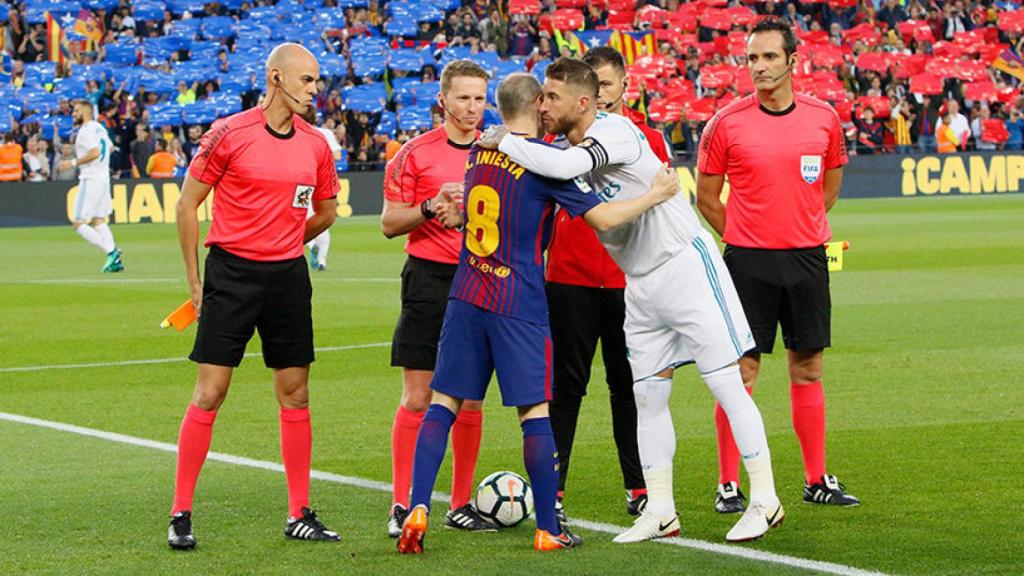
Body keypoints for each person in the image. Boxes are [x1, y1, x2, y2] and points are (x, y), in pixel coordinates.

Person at [480, 57, 783, 543]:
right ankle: (660, 509)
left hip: (685, 264)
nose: (543, 104)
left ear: (584, 102)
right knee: (647, 395)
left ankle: (765, 498)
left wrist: (508, 139)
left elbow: (564, 166)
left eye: (552, 97)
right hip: (639, 282)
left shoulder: (614, 132)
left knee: (726, 382)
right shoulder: (558, 144)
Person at [396, 72, 680, 554]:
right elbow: (604, 218)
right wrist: (655, 194)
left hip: (466, 292)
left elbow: (492, 208)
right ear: (535, 106)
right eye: (545, 99)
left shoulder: (479, 150)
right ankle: (548, 526)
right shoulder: (548, 166)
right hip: (517, 300)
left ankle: (417, 505)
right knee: (535, 412)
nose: (551, 106)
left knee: (443, 403)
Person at [167, 43, 341, 551]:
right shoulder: (229, 133)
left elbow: (327, 210)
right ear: (275, 77)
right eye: (307, 80)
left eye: (317, 81)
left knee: (296, 392)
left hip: (287, 277)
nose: (315, 89)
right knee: (211, 391)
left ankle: (298, 512)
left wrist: (288, 240)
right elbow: (187, 204)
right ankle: (181, 511)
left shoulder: (315, 145)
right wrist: (195, 282)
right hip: (232, 275)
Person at [695, 18, 860, 514]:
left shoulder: (824, 118)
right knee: (740, 372)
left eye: (769, 57)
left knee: (807, 368)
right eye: (752, 58)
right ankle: (729, 483)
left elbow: (827, 190)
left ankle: (816, 479)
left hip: (808, 259)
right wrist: (747, 237)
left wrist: (797, 228)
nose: (760, 67)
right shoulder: (726, 122)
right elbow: (706, 197)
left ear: (793, 59)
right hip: (747, 263)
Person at [545, 46, 671, 525]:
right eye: (591, 86)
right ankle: (552, 489)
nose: (598, 95)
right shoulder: (557, 143)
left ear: (623, 87)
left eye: (607, 85)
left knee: (630, 387)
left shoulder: (648, 139)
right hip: (569, 278)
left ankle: (639, 488)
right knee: (565, 388)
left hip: (629, 281)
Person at [380, 59, 495, 538]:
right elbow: (389, 223)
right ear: (442, 100)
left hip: (481, 276)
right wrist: (432, 208)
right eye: (463, 97)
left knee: (469, 399)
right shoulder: (413, 154)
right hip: (428, 279)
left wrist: (469, 217)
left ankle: (461, 503)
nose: (472, 108)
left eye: (479, 98)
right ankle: (402, 504)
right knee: (419, 396)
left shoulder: (500, 153)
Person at [57, 100, 122, 273]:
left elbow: (95, 152)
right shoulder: (99, 128)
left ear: (85, 112)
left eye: (76, 111)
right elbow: (109, 147)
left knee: (78, 223)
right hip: (103, 178)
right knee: (98, 220)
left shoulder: (85, 131)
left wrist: (72, 162)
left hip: (90, 178)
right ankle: (115, 260)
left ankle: (111, 251)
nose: (73, 114)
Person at [300, 107, 342, 271]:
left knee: (301, 217)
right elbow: (337, 155)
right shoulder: (324, 133)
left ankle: (311, 246)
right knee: (324, 219)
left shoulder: (294, 133)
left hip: (301, 184)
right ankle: (322, 260)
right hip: (322, 185)